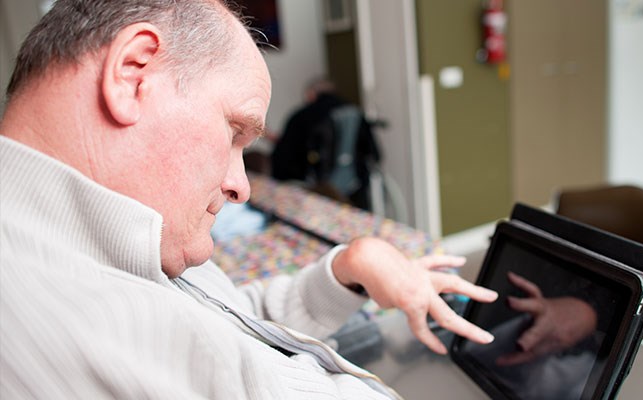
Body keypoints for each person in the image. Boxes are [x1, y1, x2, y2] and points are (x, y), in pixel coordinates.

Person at [0, 1, 498, 399]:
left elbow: (233, 316)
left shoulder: (131, 236)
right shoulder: (60, 317)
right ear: (132, 72)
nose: (243, 186)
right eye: (235, 130)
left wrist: (346, 269)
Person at [271, 78, 379, 209]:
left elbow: (283, 158)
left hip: (316, 192)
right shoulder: (356, 113)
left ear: (311, 94)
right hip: (356, 189)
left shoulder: (302, 116)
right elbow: (374, 154)